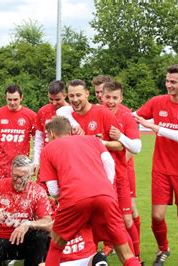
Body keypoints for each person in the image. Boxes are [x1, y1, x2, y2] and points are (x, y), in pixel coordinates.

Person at [39, 116, 141, 266]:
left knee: (56, 245)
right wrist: (105, 186)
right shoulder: (92, 140)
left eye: (47, 135)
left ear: (52, 133)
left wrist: (68, 195)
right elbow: (109, 163)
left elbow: (53, 190)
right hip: (106, 195)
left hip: (74, 197)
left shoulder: (48, 149)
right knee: (125, 252)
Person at [56, 80, 137, 256]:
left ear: (88, 94)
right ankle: (94, 257)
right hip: (86, 181)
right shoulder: (69, 117)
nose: (75, 99)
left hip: (108, 179)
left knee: (116, 225)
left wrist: (100, 142)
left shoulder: (103, 113)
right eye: (71, 96)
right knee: (91, 225)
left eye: (78, 95)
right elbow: (60, 111)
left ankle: (135, 257)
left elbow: (121, 145)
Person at [133, 64, 178, 266]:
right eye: (167, 81)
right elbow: (134, 116)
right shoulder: (157, 102)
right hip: (161, 169)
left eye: (173, 82)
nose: (168, 85)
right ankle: (164, 249)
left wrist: (152, 126)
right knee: (157, 216)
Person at [0, 155, 52, 265]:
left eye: (22, 177)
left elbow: (48, 223)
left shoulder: (37, 192)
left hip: (22, 239)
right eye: (15, 176)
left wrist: (28, 224)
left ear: (30, 175)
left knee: (41, 237)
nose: (18, 181)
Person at [102, 81, 143, 259]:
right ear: (101, 96)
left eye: (115, 98)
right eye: (107, 97)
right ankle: (92, 255)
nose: (111, 101)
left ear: (121, 98)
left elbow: (136, 147)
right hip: (99, 179)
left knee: (126, 220)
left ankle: (136, 257)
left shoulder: (126, 117)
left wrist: (120, 138)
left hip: (119, 177)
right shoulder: (94, 114)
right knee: (102, 221)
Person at [0, 85, 37, 179]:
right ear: (6, 98)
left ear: (21, 97)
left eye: (15, 99)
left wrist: (34, 162)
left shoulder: (30, 115)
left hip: (20, 166)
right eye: (9, 99)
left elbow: (36, 141)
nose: (12, 103)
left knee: (19, 193)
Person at [33, 80, 70, 172]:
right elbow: (38, 138)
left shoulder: (72, 111)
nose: (54, 103)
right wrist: (36, 161)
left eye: (57, 99)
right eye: (51, 99)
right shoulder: (42, 111)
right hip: (47, 157)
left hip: (66, 157)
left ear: (65, 95)